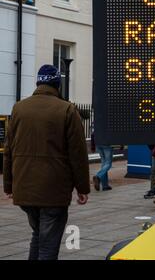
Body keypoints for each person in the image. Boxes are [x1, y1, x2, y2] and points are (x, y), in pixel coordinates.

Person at [3, 65, 90, 260]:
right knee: (48, 245)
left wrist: (8, 185)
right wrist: (82, 188)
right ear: (58, 85)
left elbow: (8, 150)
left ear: (38, 83)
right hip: (54, 191)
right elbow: (77, 154)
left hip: (25, 188)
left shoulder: (18, 108)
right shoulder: (67, 110)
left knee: (38, 236)